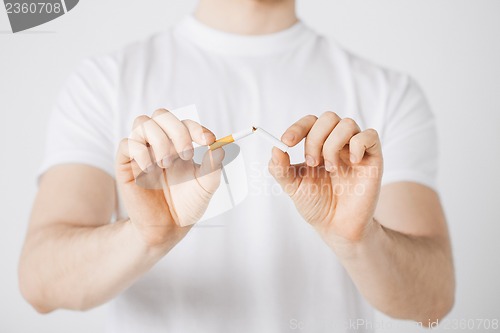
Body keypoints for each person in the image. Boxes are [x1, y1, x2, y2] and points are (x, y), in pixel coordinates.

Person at [18, 0, 455, 332]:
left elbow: (433, 299)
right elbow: (40, 283)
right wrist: (145, 235)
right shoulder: (105, 81)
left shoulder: (387, 92)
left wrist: (359, 238)